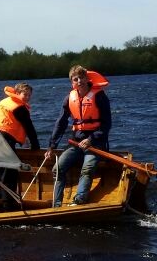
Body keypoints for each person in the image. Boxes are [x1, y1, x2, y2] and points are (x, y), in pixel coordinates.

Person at [45, 65, 112, 207]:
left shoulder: (99, 96)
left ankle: (79, 200)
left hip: (96, 143)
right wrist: (52, 146)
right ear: (72, 83)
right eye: (75, 79)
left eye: (81, 77)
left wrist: (90, 140)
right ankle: (56, 205)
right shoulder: (69, 98)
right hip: (76, 142)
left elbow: (106, 124)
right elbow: (61, 123)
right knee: (57, 169)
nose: (79, 81)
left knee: (87, 168)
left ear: (87, 78)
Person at [0, 82, 41, 214]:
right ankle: (8, 209)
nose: (27, 97)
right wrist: (35, 146)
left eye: (29, 95)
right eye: (25, 94)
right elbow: (29, 128)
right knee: (9, 175)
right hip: (5, 142)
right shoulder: (19, 108)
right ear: (17, 93)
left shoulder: (5, 102)